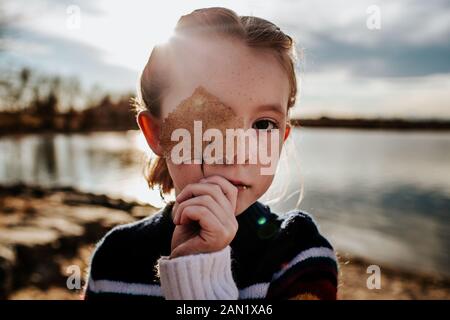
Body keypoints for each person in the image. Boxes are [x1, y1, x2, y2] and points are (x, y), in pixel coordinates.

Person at [83, 7, 338, 300]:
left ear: (282, 136)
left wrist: (199, 278)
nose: (238, 152)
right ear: (156, 135)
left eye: (264, 124)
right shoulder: (115, 258)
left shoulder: (299, 253)